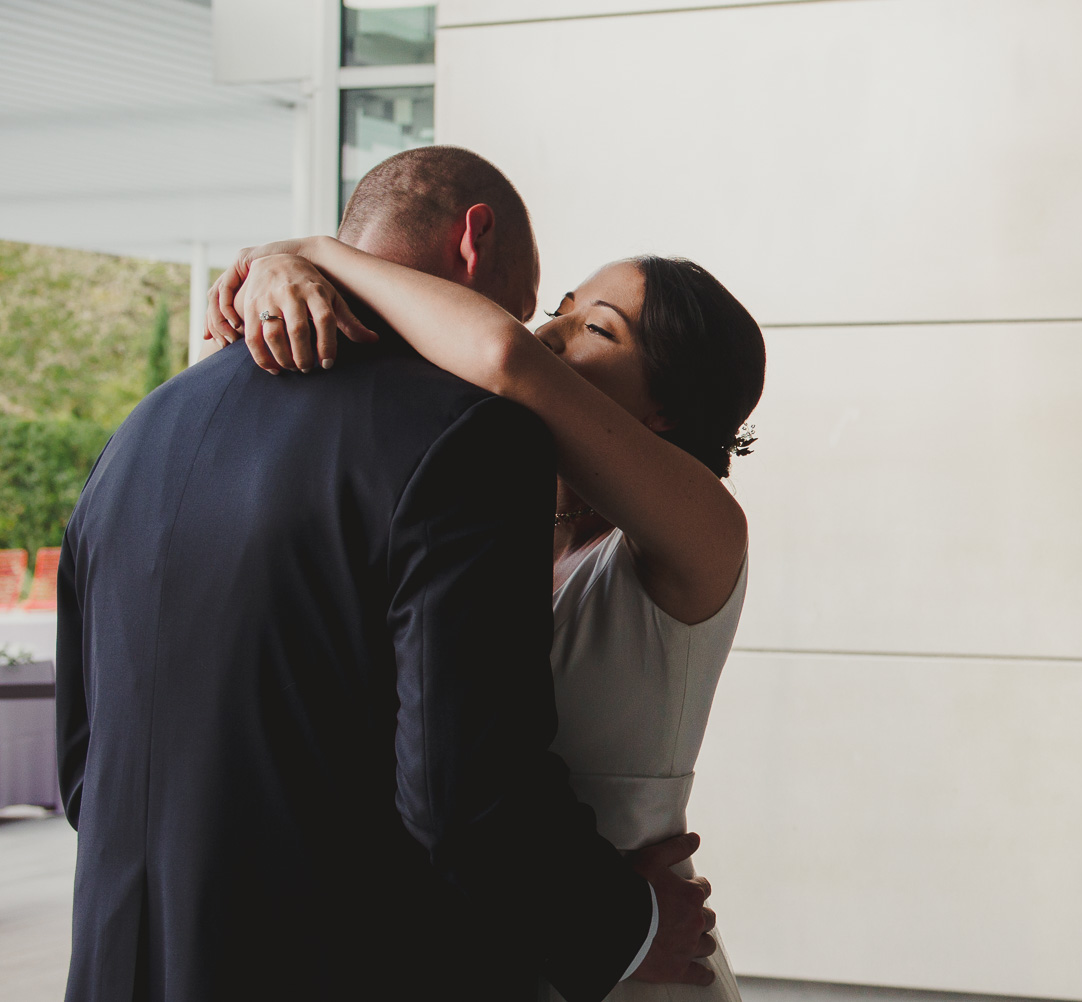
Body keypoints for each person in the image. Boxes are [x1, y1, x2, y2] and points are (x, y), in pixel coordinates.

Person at [56, 145, 715, 1002]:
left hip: (118, 962)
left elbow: (82, 763)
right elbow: (461, 794)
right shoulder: (470, 435)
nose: (528, 336)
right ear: (471, 244)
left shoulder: (143, 429)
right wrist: (629, 929)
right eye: (528, 307)